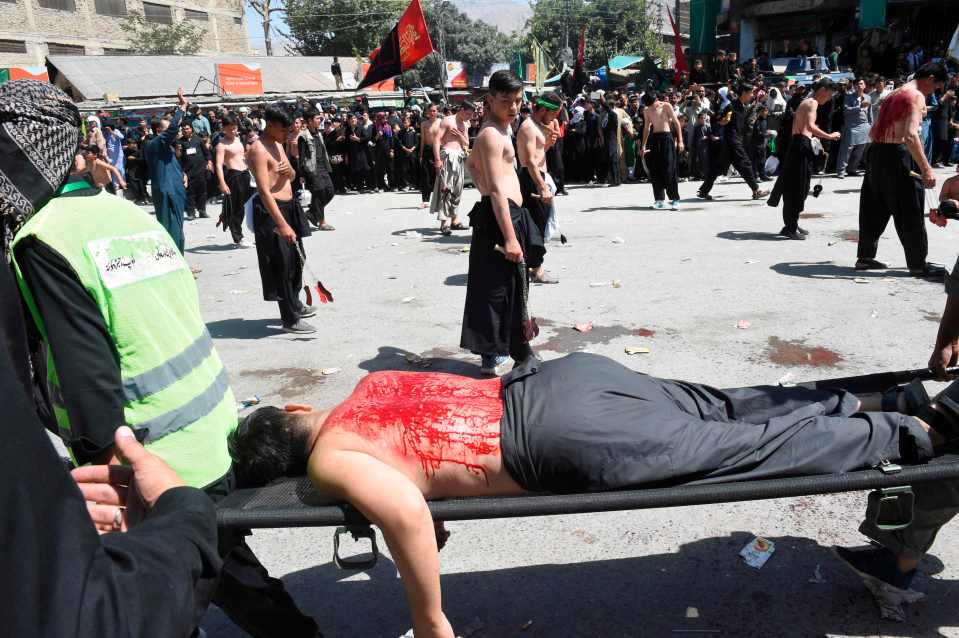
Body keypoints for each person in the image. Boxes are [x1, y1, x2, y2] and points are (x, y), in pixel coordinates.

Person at [229, 352, 959, 638]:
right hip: (562, 381)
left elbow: (406, 513)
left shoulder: (328, 461)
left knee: (746, 453)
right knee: (727, 406)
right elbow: (424, 442)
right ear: (294, 416)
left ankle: (913, 433)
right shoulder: (370, 386)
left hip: (560, 441)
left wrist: (429, 623)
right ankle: (871, 401)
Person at [461, 70, 545, 376]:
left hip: (511, 214)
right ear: (490, 99)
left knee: (511, 286)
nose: (513, 107)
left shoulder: (502, 129)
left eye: (518, 100)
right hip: (502, 218)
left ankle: (515, 350)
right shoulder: (491, 135)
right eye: (505, 100)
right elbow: (496, 190)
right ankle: (493, 355)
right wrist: (510, 237)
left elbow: (472, 164)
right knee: (496, 289)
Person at [856, 63, 948, 278]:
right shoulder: (915, 95)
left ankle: (865, 258)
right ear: (930, 79)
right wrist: (927, 169)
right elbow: (910, 135)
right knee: (910, 210)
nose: (932, 92)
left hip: (877, 153)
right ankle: (918, 264)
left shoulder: (895, 92)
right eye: (935, 87)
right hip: (898, 155)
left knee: (873, 207)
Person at [248, 104, 316, 335]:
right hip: (272, 213)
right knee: (282, 266)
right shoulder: (258, 149)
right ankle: (289, 318)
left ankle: (295, 303)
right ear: (272, 124)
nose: (288, 133)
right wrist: (281, 224)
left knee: (297, 260)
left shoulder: (278, 143)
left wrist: (291, 172)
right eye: (284, 129)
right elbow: (264, 190)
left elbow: (291, 177)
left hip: (290, 206)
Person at [767, 79, 841, 240]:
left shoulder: (808, 102)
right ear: (822, 90)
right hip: (799, 147)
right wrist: (830, 136)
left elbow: (808, 130)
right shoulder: (812, 103)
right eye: (828, 95)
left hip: (801, 145)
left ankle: (793, 223)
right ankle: (789, 227)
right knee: (795, 188)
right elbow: (810, 126)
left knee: (801, 187)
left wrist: (816, 143)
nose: (828, 99)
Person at [517, 92, 561, 284]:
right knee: (535, 225)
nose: (554, 118)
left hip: (538, 176)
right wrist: (542, 186)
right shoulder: (528, 127)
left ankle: (534, 267)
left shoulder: (537, 126)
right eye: (553, 114)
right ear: (543, 109)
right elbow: (529, 162)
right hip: (531, 178)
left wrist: (548, 145)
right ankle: (536, 270)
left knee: (539, 224)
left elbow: (537, 155)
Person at [698, 83, 769, 201]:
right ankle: (756, 190)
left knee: (718, 167)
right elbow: (718, 119)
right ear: (744, 93)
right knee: (746, 164)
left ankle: (703, 191)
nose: (752, 95)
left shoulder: (742, 106)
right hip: (732, 140)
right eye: (750, 93)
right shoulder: (731, 106)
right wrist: (723, 121)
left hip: (733, 142)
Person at [144, 89, 189, 253]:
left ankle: (180, 261)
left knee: (177, 229)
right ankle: (177, 264)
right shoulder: (154, 144)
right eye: (171, 129)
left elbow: (170, 166)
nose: (177, 131)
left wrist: (182, 175)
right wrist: (181, 108)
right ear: (158, 132)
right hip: (167, 193)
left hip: (175, 190)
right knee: (172, 231)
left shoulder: (166, 148)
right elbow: (172, 130)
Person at [430, 102, 475, 235]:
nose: (469, 117)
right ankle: (444, 222)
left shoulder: (465, 124)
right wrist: (437, 159)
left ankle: (454, 220)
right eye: (468, 114)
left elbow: (466, 143)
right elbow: (437, 140)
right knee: (446, 189)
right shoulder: (448, 120)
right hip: (448, 156)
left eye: (471, 115)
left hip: (459, 157)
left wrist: (461, 136)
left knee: (458, 190)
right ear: (461, 110)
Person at [640, 91, 684, 210]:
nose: (650, 106)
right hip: (655, 139)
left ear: (656, 100)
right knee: (655, 169)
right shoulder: (647, 110)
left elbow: (676, 123)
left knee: (669, 168)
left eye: (651, 103)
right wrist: (643, 146)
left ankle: (675, 199)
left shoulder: (666, 106)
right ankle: (659, 200)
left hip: (667, 138)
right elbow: (646, 129)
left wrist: (680, 141)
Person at [214, 114, 253, 246]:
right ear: (223, 129)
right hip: (233, 176)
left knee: (244, 206)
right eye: (230, 129)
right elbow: (218, 165)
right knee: (236, 208)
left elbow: (243, 156)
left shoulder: (239, 139)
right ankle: (238, 236)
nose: (233, 131)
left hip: (245, 174)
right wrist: (222, 183)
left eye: (235, 128)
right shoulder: (221, 145)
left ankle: (226, 216)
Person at [299, 108, 336, 231]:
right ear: (309, 121)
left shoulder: (318, 133)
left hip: (323, 167)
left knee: (330, 191)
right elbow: (302, 157)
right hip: (312, 169)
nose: (320, 120)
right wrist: (302, 174)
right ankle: (322, 222)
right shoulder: (303, 136)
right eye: (317, 118)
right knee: (319, 194)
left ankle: (311, 213)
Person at [836, 78, 873, 179]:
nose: (859, 85)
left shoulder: (868, 97)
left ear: (864, 86)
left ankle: (852, 169)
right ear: (854, 86)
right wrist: (859, 106)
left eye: (861, 83)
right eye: (857, 84)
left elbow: (870, 113)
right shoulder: (848, 97)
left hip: (864, 126)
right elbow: (846, 110)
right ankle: (841, 171)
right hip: (852, 126)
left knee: (860, 150)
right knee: (846, 150)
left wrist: (871, 125)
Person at [177, 121, 212, 220]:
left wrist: (209, 162)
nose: (185, 130)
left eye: (187, 128)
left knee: (202, 192)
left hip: (201, 171)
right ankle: (191, 213)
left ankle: (202, 211)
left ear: (191, 129)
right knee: (190, 193)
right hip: (188, 173)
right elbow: (178, 158)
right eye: (183, 129)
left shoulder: (198, 140)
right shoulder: (180, 142)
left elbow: (206, 153)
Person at [419, 102, 441, 209]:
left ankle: (440, 199)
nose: (432, 113)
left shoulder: (441, 122)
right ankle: (425, 200)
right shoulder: (424, 124)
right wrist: (421, 155)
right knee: (425, 176)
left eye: (434, 110)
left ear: (437, 111)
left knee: (439, 176)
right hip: (427, 150)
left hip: (439, 150)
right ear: (427, 112)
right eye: (430, 111)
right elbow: (423, 140)